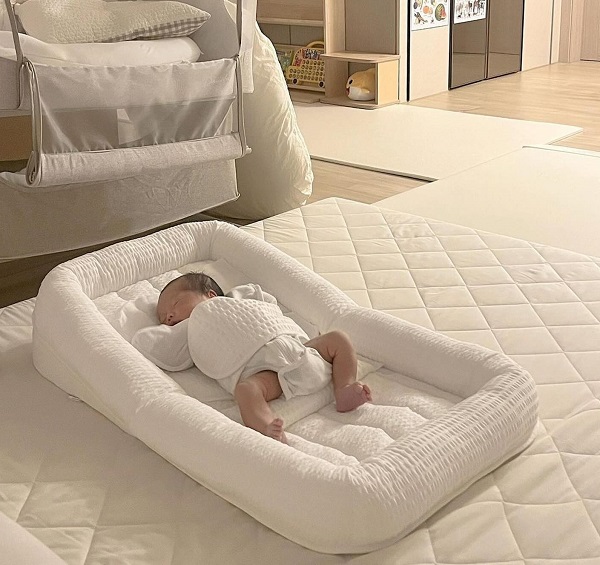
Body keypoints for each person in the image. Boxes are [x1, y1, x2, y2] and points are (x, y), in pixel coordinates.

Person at [156, 272, 372, 443]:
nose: (169, 317)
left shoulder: (237, 299)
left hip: (300, 349)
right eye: (163, 318)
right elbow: (165, 351)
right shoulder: (189, 330)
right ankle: (267, 425)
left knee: (338, 338)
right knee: (246, 391)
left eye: (175, 304)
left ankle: (344, 388)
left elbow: (265, 300)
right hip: (267, 373)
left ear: (211, 295)